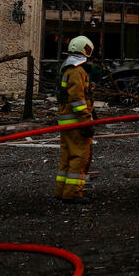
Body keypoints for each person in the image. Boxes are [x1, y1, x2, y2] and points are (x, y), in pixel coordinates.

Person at [54, 36, 95, 203]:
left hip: (65, 120)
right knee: (80, 156)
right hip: (76, 122)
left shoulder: (66, 68)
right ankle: (72, 193)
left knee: (67, 156)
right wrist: (86, 120)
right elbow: (77, 99)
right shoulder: (77, 70)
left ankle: (61, 190)